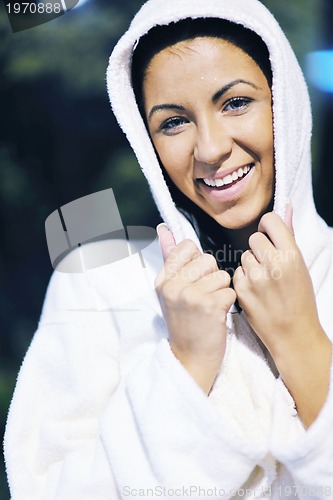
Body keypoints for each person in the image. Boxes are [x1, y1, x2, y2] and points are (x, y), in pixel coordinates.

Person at [4, 0, 333, 498]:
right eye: (173, 122)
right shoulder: (96, 282)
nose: (209, 148)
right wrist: (186, 362)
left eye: (236, 103)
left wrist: (300, 339)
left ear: (283, 101)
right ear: (145, 140)